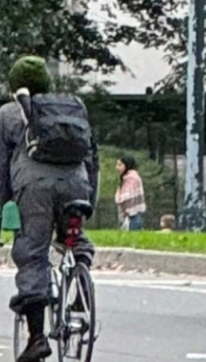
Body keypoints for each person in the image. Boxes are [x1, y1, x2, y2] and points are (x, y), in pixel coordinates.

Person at [0, 55, 99, 362]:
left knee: (32, 254)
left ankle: (37, 338)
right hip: (77, 183)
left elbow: (2, 166)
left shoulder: (7, 114)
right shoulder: (73, 107)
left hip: (35, 189)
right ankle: (81, 277)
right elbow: (92, 157)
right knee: (73, 237)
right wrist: (89, 202)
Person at [115, 154, 146, 231]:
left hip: (132, 215)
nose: (117, 167)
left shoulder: (131, 179)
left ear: (127, 165)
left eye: (120, 165)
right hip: (132, 215)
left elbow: (125, 197)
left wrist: (117, 195)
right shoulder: (131, 177)